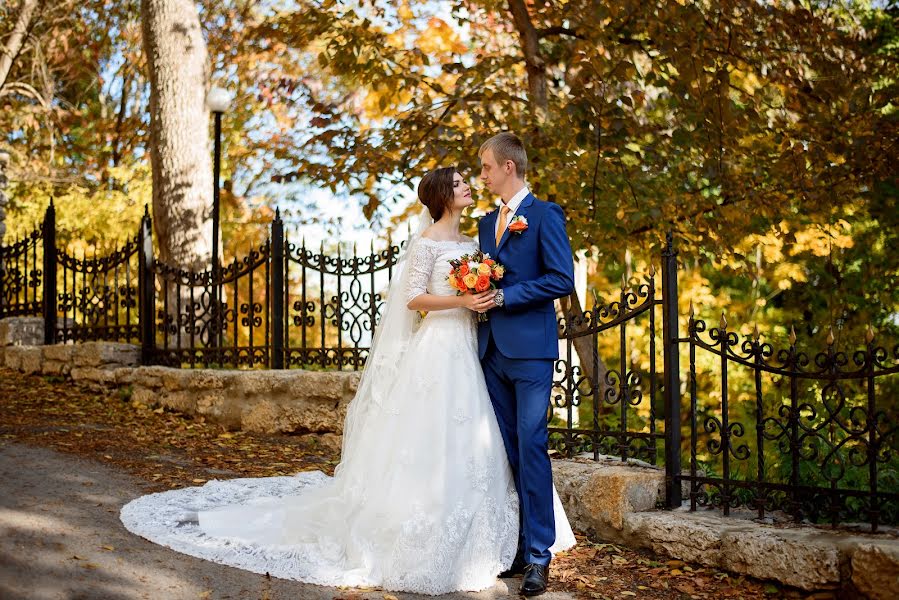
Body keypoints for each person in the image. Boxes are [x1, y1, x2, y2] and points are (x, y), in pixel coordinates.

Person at [119, 167, 575, 597]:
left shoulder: (479, 233)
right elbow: (415, 299)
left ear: (507, 168)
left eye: (477, 173)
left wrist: (482, 298)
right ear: (441, 196)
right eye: (459, 182)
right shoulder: (433, 241)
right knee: (431, 440)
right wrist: (463, 302)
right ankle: (445, 538)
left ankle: (506, 545)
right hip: (445, 347)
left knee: (488, 445)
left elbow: (530, 278)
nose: (472, 182)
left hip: (477, 351)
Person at [477, 132, 576, 596]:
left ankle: (540, 555)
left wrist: (505, 296)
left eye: (486, 167)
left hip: (531, 352)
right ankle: (517, 546)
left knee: (532, 448)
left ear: (508, 168)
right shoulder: (484, 224)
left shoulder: (544, 215)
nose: (482, 175)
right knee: (508, 453)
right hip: (490, 351)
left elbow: (560, 278)